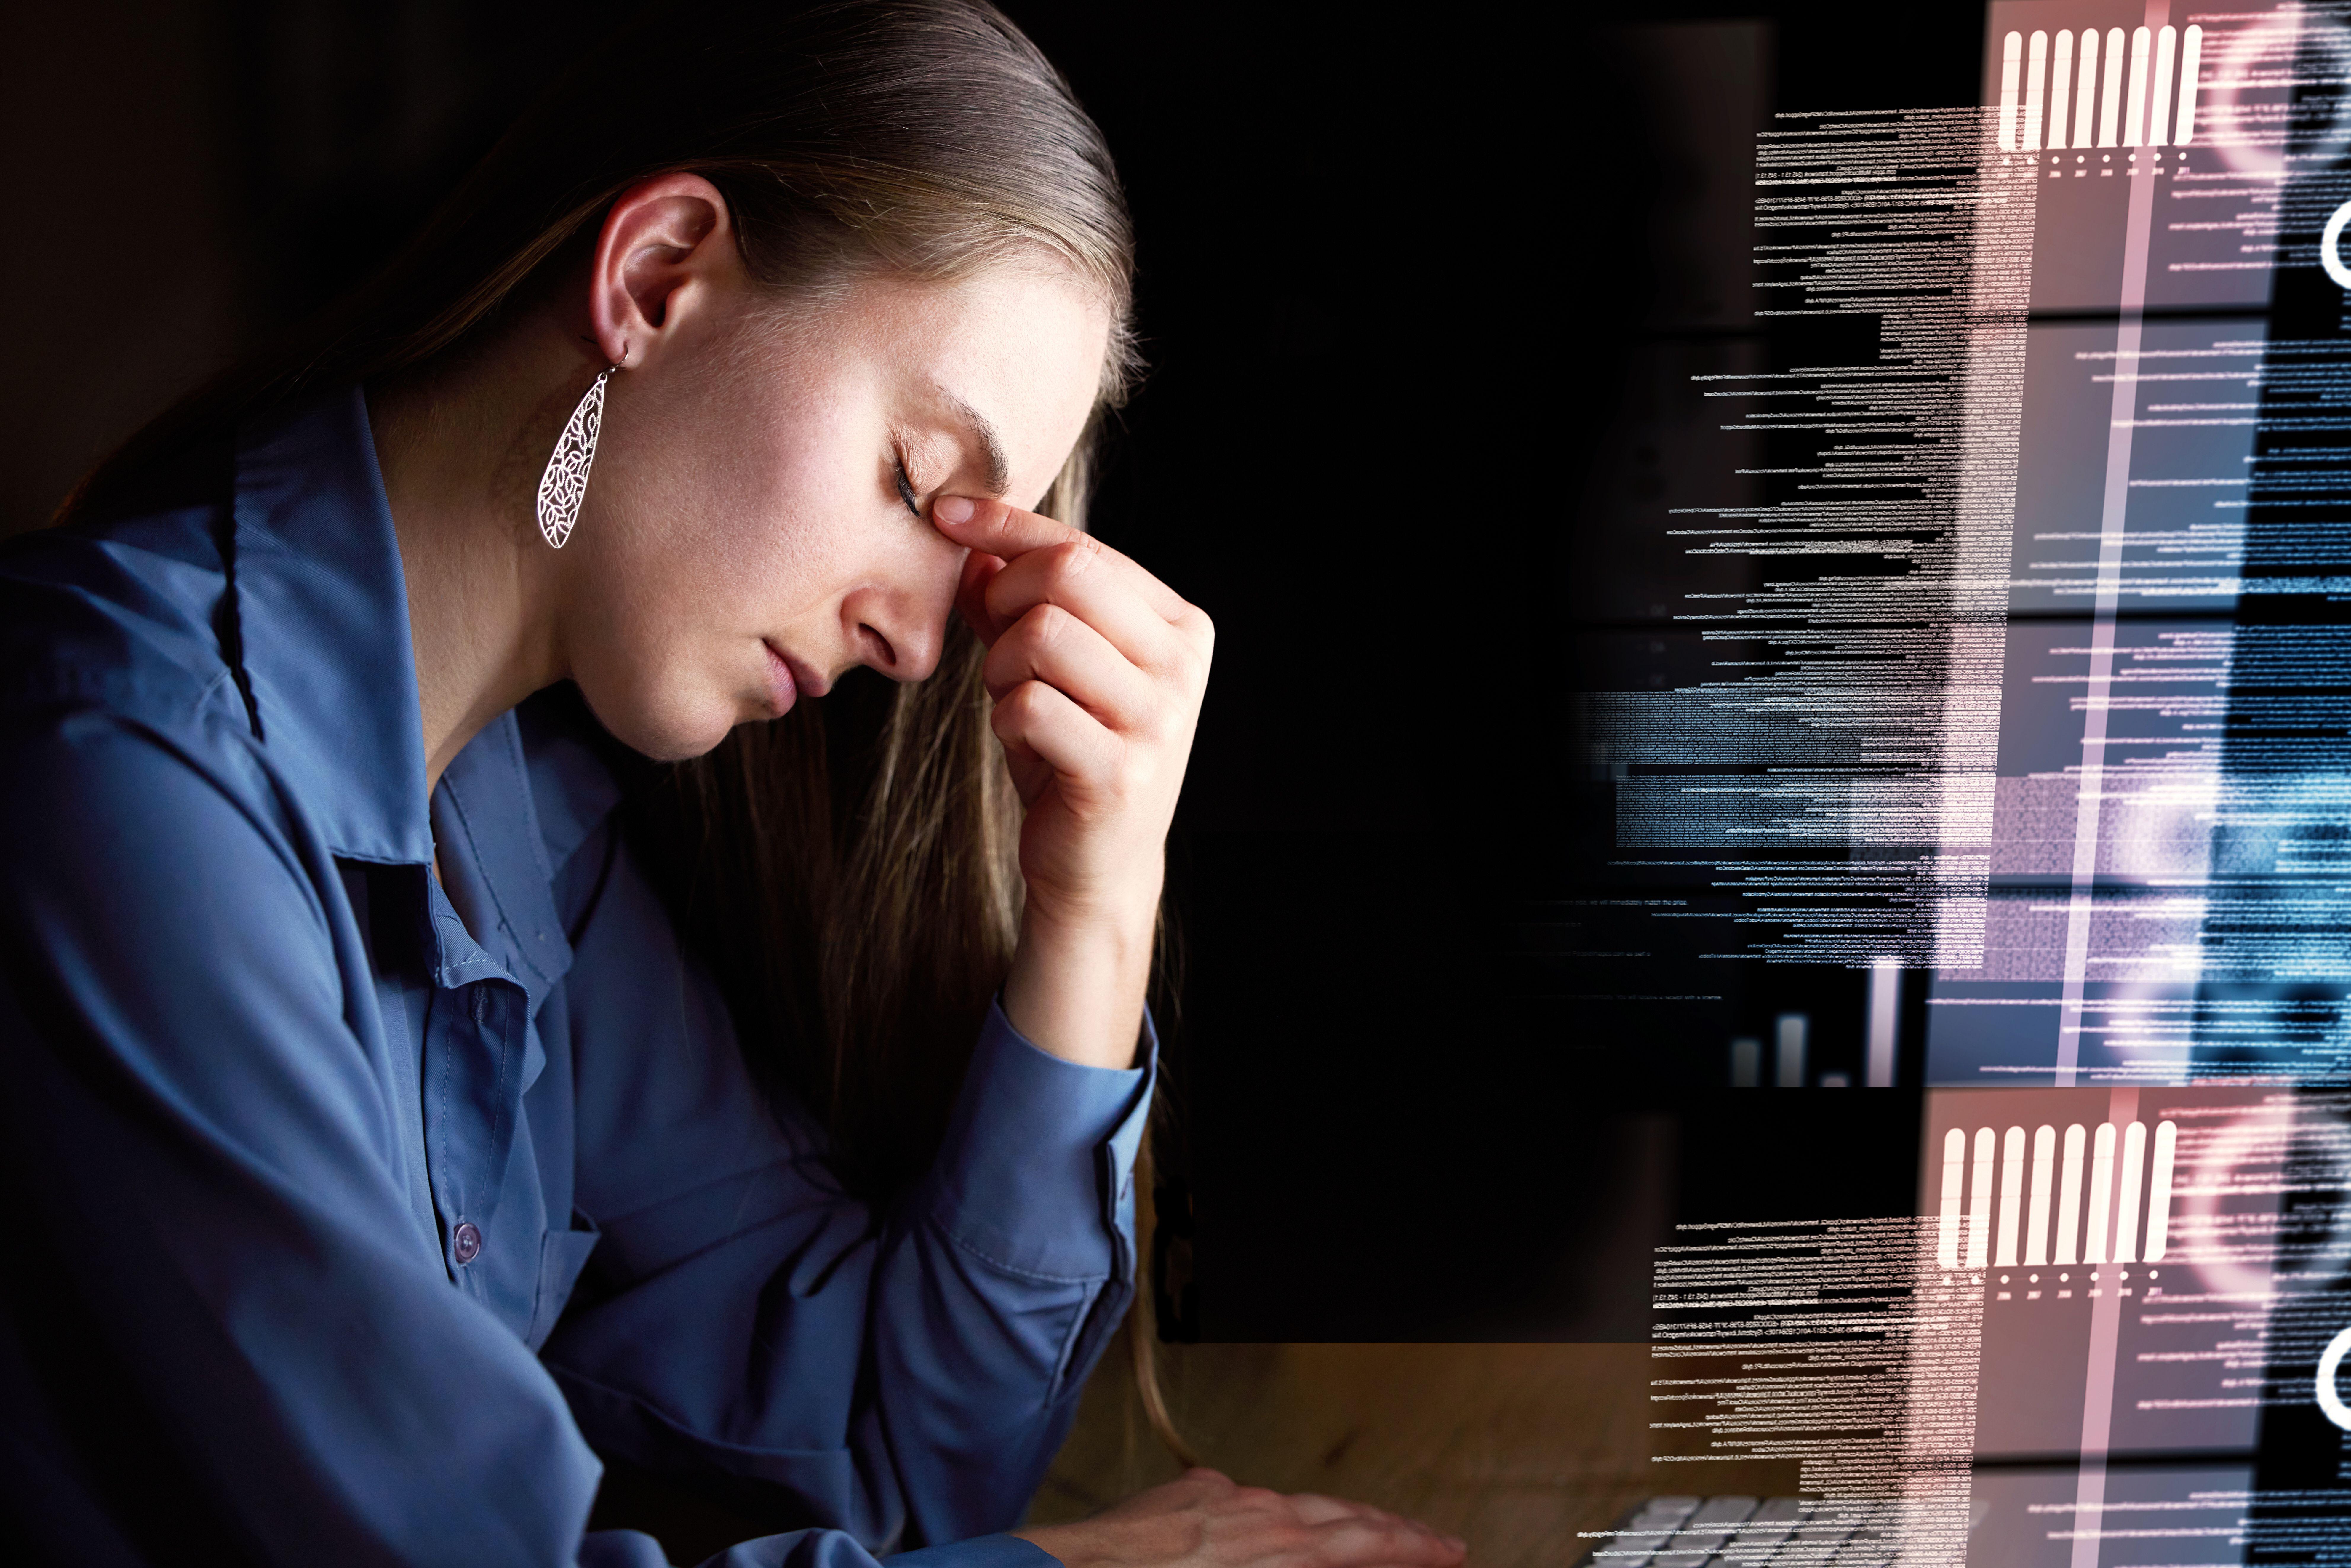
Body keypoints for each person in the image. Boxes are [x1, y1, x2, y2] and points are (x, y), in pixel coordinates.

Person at [0, 3, 1475, 1567]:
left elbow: (887, 1453)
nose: (920, 645)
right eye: (918, 485)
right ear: (654, 278)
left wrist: (1095, 901)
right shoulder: (114, 773)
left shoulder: (519, 813)